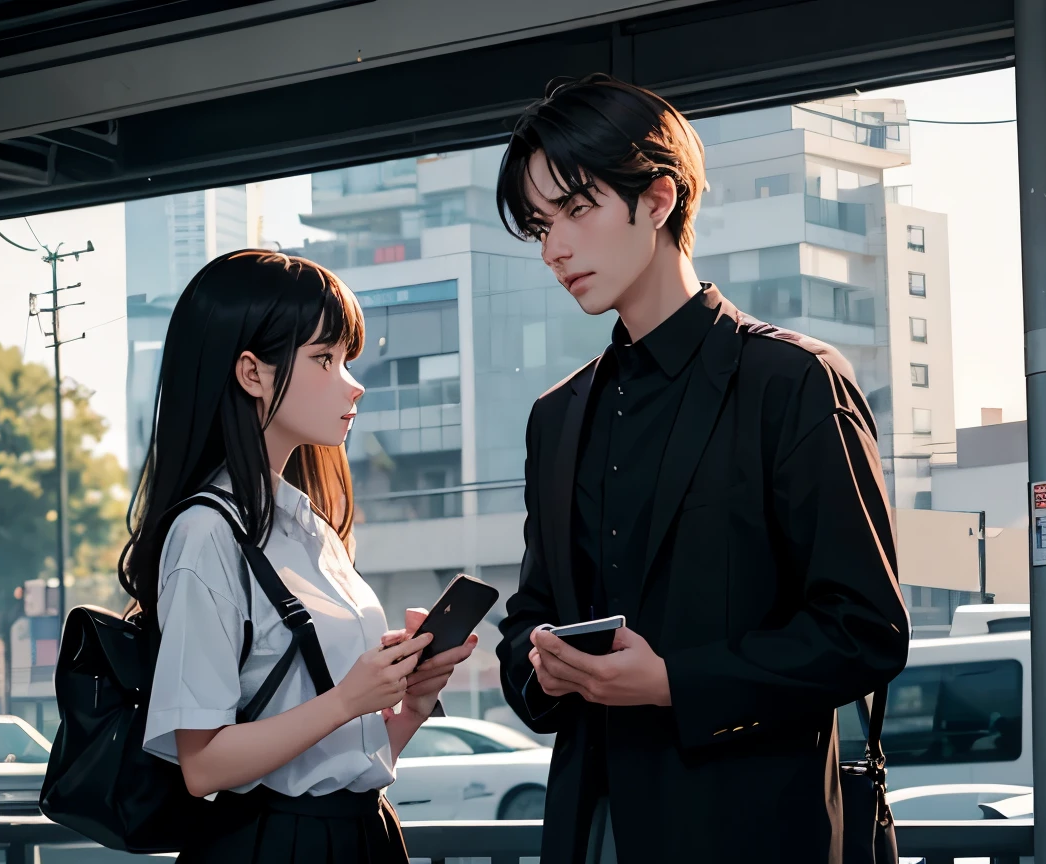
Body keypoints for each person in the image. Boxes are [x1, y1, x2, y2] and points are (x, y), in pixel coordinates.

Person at [493, 74, 911, 864]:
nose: (554, 250)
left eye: (575, 211)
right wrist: (542, 668)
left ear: (657, 199)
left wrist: (675, 682)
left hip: (747, 829)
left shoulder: (791, 383)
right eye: (541, 226)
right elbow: (529, 617)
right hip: (590, 827)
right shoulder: (557, 417)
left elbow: (865, 631)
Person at [122, 250, 476, 863]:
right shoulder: (208, 532)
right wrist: (348, 698)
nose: (354, 382)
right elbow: (202, 765)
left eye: (346, 359)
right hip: (272, 845)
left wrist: (409, 704)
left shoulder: (310, 526)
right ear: (251, 373)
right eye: (326, 359)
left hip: (359, 832)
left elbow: (343, 767)